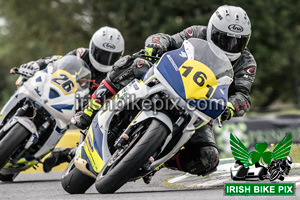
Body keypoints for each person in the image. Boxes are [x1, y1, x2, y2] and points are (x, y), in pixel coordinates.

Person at [53, 5, 257, 177]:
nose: (230, 46)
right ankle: (90, 110)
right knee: (133, 62)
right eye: (224, 39)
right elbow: (167, 39)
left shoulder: (247, 63)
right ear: (212, 30)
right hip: (170, 81)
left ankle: (156, 159)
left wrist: (231, 106)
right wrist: (155, 45)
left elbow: (243, 95)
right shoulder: (196, 32)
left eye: (238, 41)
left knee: (208, 159)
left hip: (199, 107)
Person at [17, 26, 125, 173]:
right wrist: (37, 64)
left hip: (84, 110)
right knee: (27, 84)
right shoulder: (81, 54)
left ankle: (64, 154)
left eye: (111, 56)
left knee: (90, 146)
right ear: (92, 48)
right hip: (60, 94)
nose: (105, 60)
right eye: (101, 54)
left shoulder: (116, 73)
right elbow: (55, 61)